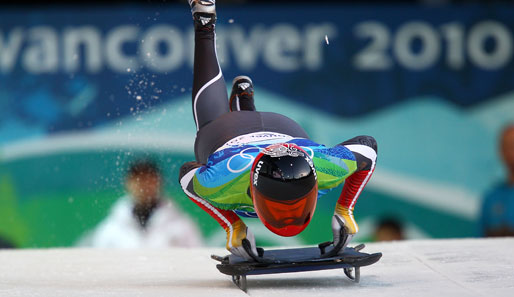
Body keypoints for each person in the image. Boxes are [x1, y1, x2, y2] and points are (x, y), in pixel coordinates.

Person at [179, 0, 378, 260]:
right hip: (251, 131)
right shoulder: (221, 179)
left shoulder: (325, 168)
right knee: (209, 125)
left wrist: (232, 225)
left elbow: (367, 147)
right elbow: (369, 146)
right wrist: (344, 210)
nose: (288, 214)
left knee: (211, 127)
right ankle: (207, 32)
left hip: (272, 129)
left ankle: (240, 97)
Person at [79, 159, 203, 248]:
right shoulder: (110, 230)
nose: (144, 184)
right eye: (138, 179)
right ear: (127, 183)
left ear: (160, 182)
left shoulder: (182, 227)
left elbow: (195, 264)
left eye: (149, 178)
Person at [480, 124, 514, 237]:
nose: (511, 152)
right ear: (500, 151)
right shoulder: (491, 197)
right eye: (507, 146)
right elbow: (478, 242)